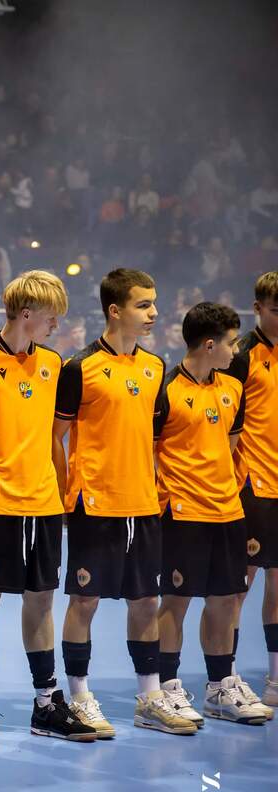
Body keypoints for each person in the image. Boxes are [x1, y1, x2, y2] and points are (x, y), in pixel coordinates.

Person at [53, 268, 197, 737]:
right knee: (85, 601)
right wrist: (66, 494)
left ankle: (150, 697)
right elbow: (56, 437)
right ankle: (79, 697)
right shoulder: (79, 367)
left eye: (153, 303)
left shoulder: (155, 368)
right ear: (115, 311)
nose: (154, 312)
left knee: (146, 600)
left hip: (143, 504)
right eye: (143, 304)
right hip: (94, 505)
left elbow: (152, 438)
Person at [0, 271, 97, 745]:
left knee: (41, 600)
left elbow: (56, 438)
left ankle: (46, 704)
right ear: (25, 314)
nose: (57, 324)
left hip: (43, 504)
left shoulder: (54, 364)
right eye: (51, 316)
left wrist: (61, 495)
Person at [155, 302, 269, 725]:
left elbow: (231, 446)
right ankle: (167, 689)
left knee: (224, 601)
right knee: (176, 602)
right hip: (183, 514)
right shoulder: (166, 390)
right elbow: (149, 450)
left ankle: (220, 687)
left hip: (228, 512)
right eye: (230, 343)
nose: (235, 351)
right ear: (208, 344)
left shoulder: (233, 388)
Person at [226, 270, 278, 710]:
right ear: (258, 308)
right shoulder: (241, 356)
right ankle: (226, 677)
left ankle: (275, 679)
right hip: (251, 485)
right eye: (276, 310)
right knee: (238, 588)